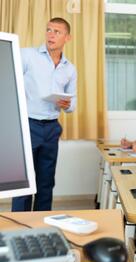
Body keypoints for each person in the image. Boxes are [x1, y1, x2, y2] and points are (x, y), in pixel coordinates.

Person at [12, 18, 77, 212]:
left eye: (57, 31)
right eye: (49, 30)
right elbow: (10, 77)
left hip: (51, 128)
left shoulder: (70, 69)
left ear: (67, 37)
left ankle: (40, 225)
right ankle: (20, 228)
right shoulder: (27, 55)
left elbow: (72, 106)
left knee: (46, 182)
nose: (51, 34)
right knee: (24, 183)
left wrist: (66, 104)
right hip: (28, 125)